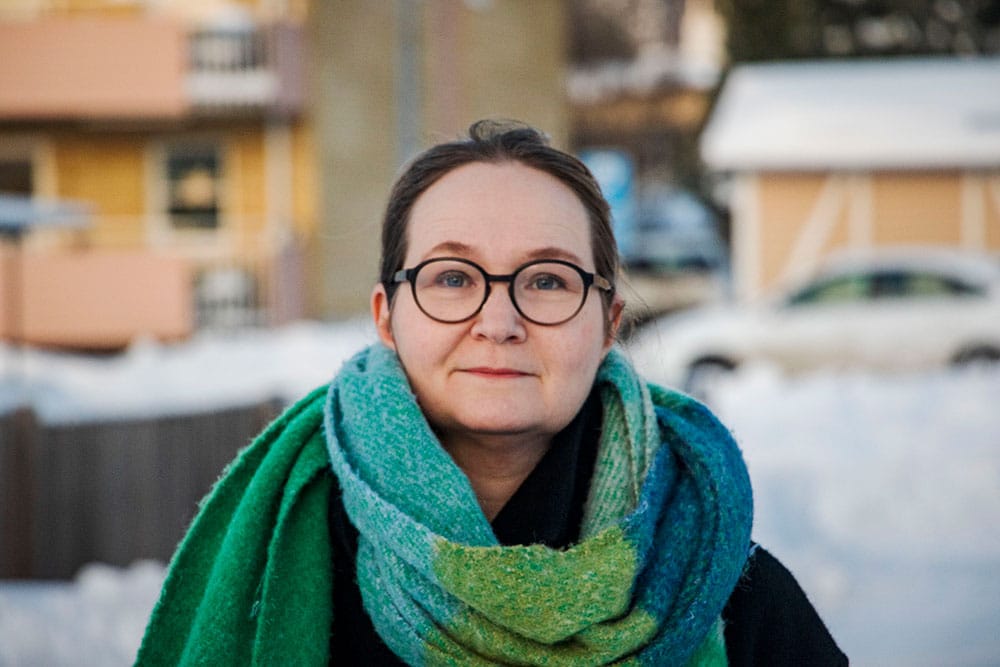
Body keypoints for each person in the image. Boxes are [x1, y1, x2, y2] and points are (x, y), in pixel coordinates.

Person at [136, 120, 846, 666]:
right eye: (451, 277)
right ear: (387, 316)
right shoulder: (280, 566)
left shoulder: (719, 586)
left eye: (546, 280)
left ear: (607, 326)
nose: (499, 322)